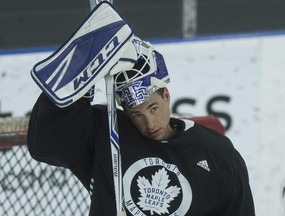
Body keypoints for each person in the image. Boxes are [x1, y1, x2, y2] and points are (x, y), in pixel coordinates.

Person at [27, 37, 255, 215]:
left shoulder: (219, 155)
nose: (149, 123)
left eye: (153, 108)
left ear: (166, 95)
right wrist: (82, 71)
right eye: (136, 113)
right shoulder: (107, 134)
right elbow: (45, 143)